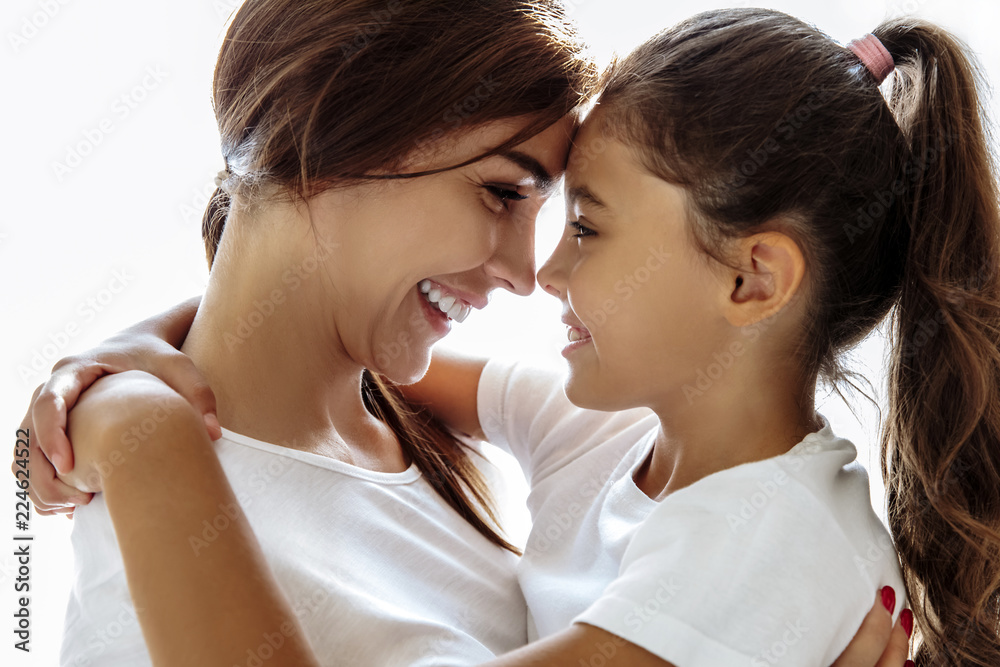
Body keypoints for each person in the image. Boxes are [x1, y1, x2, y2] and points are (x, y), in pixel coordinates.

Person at [18, 5, 934, 667]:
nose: (530, 272)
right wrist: (132, 399)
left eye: (575, 222)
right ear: (323, 128)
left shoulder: (712, 503)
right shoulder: (163, 505)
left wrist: (133, 403)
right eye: (502, 192)